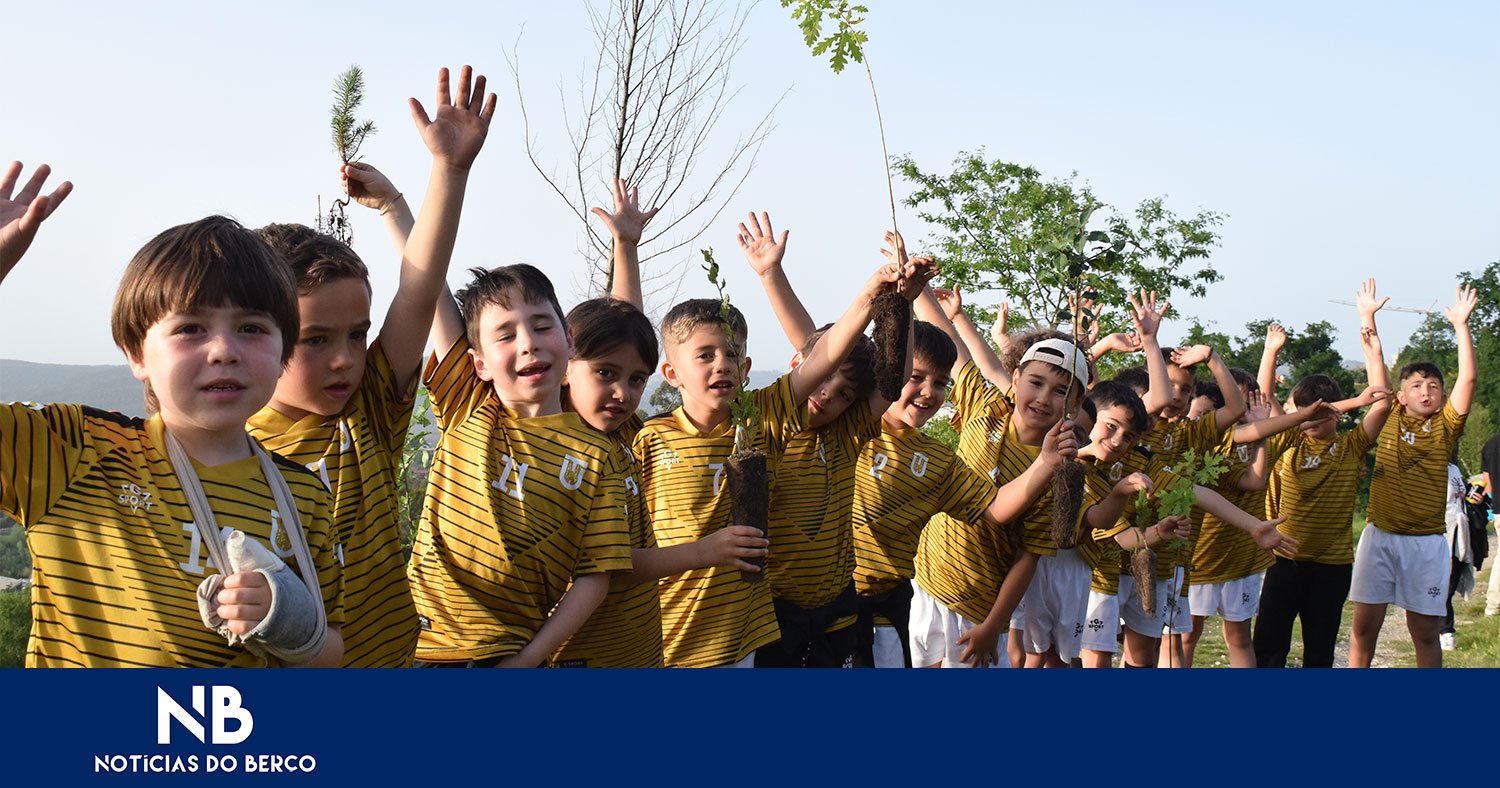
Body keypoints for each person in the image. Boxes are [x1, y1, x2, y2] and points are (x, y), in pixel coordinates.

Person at [1, 163, 344, 667]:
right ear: (137, 354)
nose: (224, 350)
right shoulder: (70, 449)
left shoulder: (304, 496)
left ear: (283, 352)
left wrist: (289, 621)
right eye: (190, 328)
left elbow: (332, 651)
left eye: (252, 328)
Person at [247, 65, 495, 667]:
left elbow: (418, 287)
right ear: (258, 337)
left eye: (358, 335)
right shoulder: (233, 447)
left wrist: (448, 172)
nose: (345, 358)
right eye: (314, 340)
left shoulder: (370, 409)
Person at [633, 239, 908, 668]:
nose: (721, 363)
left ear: (746, 369)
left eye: (731, 354)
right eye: (705, 355)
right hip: (666, 635)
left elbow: (826, 356)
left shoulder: (761, 419)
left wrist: (875, 293)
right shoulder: (649, 438)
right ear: (670, 374)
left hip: (745, 637)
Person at [553, 181, 769, 668]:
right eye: (606, 376)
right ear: (565, 365)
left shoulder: (621, 437)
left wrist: (626, 246)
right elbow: (612, 568)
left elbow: (620, 330)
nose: (622, 392)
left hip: (646, 647)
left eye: (636, 380)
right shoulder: (561, 443)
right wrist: (707, 550)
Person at [407, 244, 639, 664]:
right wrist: (393, 208)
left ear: (569, 342)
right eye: (506, 335)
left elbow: (595, 576)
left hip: (510, 655)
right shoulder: (468, 406)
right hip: (422, 649)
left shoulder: (596, 455)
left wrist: (528, 660)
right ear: (479, 364)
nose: (529, 343)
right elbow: (428, 286)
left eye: (540, 325)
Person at [913, 286, 1093, 668]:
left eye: (1062, 391)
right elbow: (948, 339)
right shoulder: (984, 405)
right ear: (1015, 379)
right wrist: (918, 287)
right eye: (1036, 382)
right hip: (924, 583)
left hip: (976, 605)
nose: (1044, 397)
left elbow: (1028, 558)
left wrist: (993, 625)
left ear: (1075, 405)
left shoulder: (1058, 474)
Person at [1252, 284, 1393, 667]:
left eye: (1320, 413)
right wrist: (1270, 352)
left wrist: (1369, 324)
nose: (1310, 421)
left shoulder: (1350, 447)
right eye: (1304, 412)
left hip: (1331, 566)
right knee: (1268, 650)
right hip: (1282, 561)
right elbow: (1262, 405)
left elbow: (1381, 399)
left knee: (1320, 653)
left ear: (1336, 414)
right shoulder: (1285, 443)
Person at [1350, 285, 1477, 668]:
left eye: (1433, 386)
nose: (1426, 392)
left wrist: (1460, 326)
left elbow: (1468, 381)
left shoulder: (1447, 426)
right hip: (1380, 535)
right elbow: (1374, 359)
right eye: (1416, 386)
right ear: (1401, 394)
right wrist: (1367, 317)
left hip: (1425, 544)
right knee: (1362, 630)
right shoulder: (1387, 414)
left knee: (1424, 632)